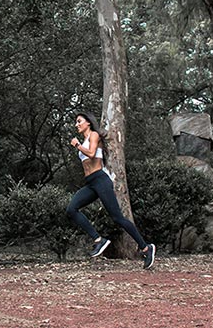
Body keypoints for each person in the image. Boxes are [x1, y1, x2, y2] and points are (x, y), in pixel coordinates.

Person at [66, 111, 156, 269]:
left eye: (79, 121)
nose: (77, 124)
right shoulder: (85, 139)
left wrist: (77, 146)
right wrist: (80, 145)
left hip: (101, 180)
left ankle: (146, 248)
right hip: (91, 183)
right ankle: (99, 240)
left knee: (118, 218)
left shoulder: (93, 135)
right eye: (76, 122)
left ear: (88, 122)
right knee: (71, 209)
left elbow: (92, 154)